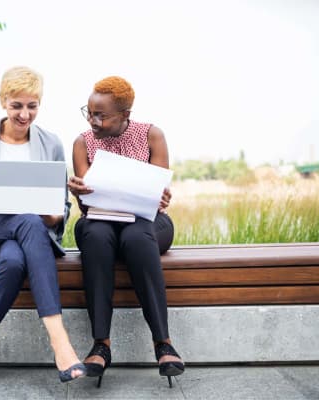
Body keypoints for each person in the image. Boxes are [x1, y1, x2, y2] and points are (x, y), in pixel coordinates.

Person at [0, 66, 86, 392]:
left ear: (40, 103)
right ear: (3, 103)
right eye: (17, 106)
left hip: (27, 235)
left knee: (14, 261)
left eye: (32, 105)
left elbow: (59, 209)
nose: (25, 114)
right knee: (26, 220)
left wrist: (52, 216)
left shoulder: (51, 142)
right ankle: (60, 342)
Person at [67, 76, 184, 388]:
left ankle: (163, 343)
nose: (93, 120)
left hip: (147, 223)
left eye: (101, 115)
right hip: (100, 223)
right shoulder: (82, 142)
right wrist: (78, 191)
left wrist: (162, 194)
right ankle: (101, 345)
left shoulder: (151, 135)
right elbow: (87, 205)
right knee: (96, 235)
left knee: (134, 237)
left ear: (125, 115)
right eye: (89, 112)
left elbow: (159, 194)